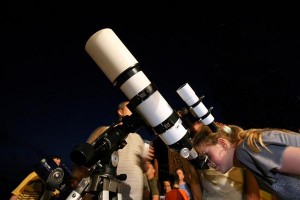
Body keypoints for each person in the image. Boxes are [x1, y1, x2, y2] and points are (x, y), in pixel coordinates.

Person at [192, 123, 300, 199]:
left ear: (222, 143)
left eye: (207, 155)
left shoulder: (245, 150)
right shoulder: (245, 155)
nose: (208, 163)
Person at [86, 100, 154, 200]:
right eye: (130, 107)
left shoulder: (138, 138)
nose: (134, 111)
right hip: (108, 194)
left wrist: (146, 165)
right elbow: (86, 159)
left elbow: (142, 166)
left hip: (134, 196)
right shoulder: (105, 130)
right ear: (120, 112)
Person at [187, 120, 261, 200]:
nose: (209, 163)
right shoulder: (195, 152)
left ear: (223, 143)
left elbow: (252, 194)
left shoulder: (233, 150)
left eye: (198, 121)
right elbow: (195, 183)